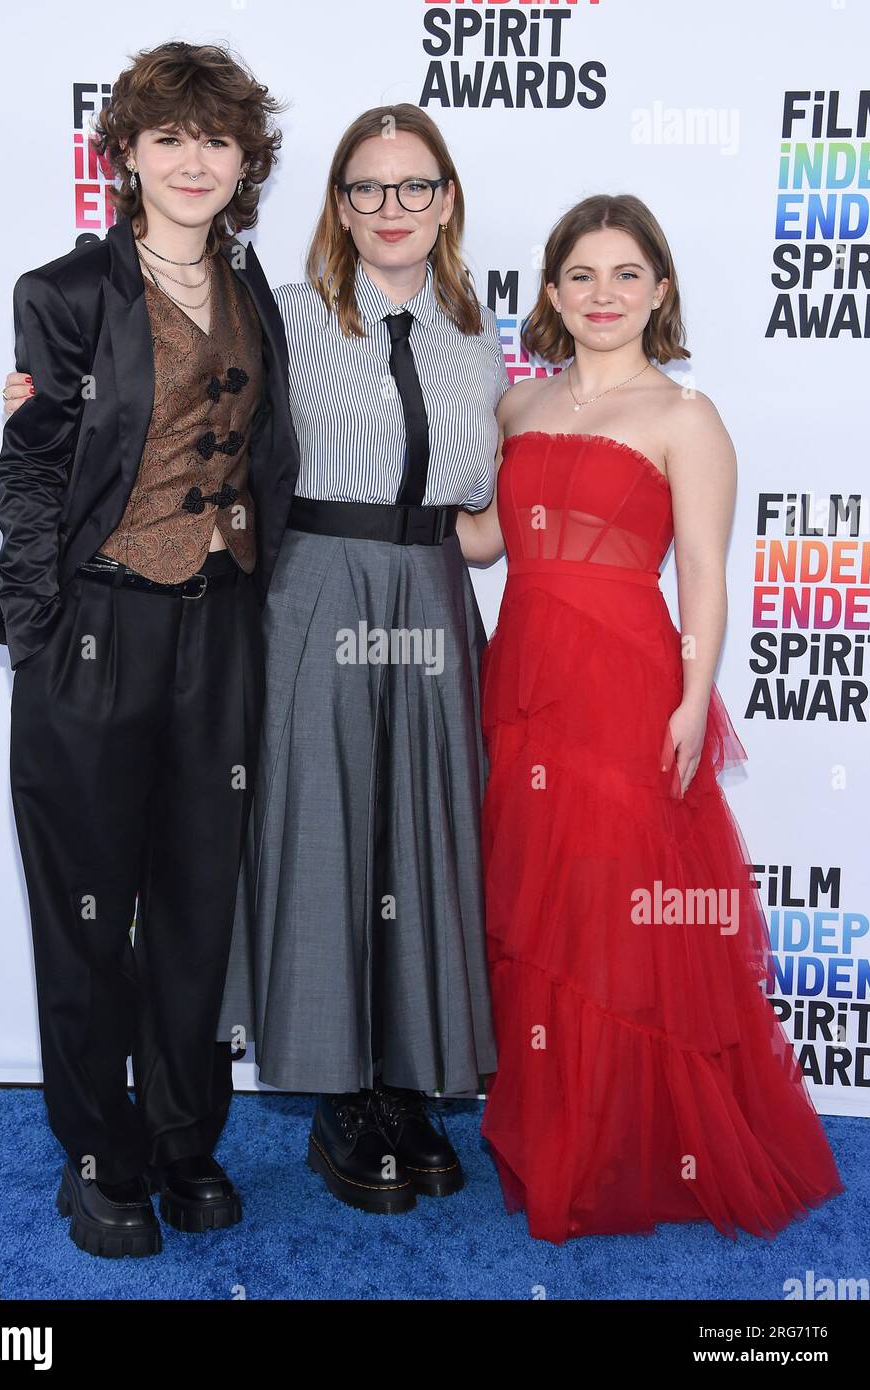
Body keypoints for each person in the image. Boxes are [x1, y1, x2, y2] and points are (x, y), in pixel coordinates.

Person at [0, 41, 298, 1258]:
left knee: (199, 903)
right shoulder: (63, 293)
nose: (194, 159)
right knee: (89, 916)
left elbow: (273, 465)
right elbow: (32, 470)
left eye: (216, 139)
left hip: (223, 632)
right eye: (169, 139)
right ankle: (98, 1156)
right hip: (95, 627)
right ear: (127, 158)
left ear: (243, 160)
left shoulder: (260, 298)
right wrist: (44, 636)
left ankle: (183, 1140)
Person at [457, 193, 845, 1242]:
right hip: (524, 685)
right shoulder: (514, 409)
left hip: (627, 688)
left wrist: (688, 698)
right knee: (543, 916)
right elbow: (484, 543)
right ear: (548, 293)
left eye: (625, 275)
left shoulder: (684, 416)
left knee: (619, 914)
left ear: (658, 291)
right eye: (579, 275)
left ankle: (634, 1136)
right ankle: (559, 1131)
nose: (601, 294)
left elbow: (708, 580)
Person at [215, 105, 507, 1214]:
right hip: (315, 588)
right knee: (326, 828)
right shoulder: (282, 317)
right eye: (367, 189)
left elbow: (489, 500)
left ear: (445, 200)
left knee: (425, 833)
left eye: (413, 186)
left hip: (432, 594)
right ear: (338, 206)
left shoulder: (477, 335)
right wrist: (55, 406)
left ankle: (408, 1080)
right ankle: (341, 1088)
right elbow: (192, 416)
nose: (392, 209)